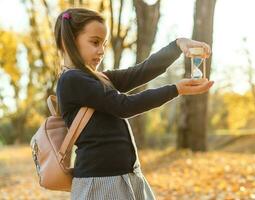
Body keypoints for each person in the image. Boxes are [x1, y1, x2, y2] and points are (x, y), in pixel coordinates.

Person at [54, 7, 214, 200]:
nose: (101, 50)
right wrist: (175, 89)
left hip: (124, 174)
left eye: (104, 44)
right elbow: (124, 106)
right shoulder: (72, 80)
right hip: (101, 181)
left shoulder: (97, 78)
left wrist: (177, 45)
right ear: (68, 40)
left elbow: (140, 72)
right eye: (95, 42)